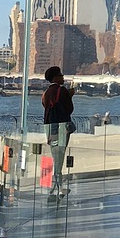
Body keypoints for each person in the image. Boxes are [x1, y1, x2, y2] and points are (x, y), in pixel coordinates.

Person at [41, 65, 75, 199]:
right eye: (60, 75)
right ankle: (59, 186)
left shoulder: (46, 93)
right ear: (56, 77)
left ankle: (52, 185)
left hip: (49, 126)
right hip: (61, 126)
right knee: (60, 156)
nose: (63, 77)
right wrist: (70, 96)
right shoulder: (62, 91)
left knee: (54, 155)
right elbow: (69, 109)